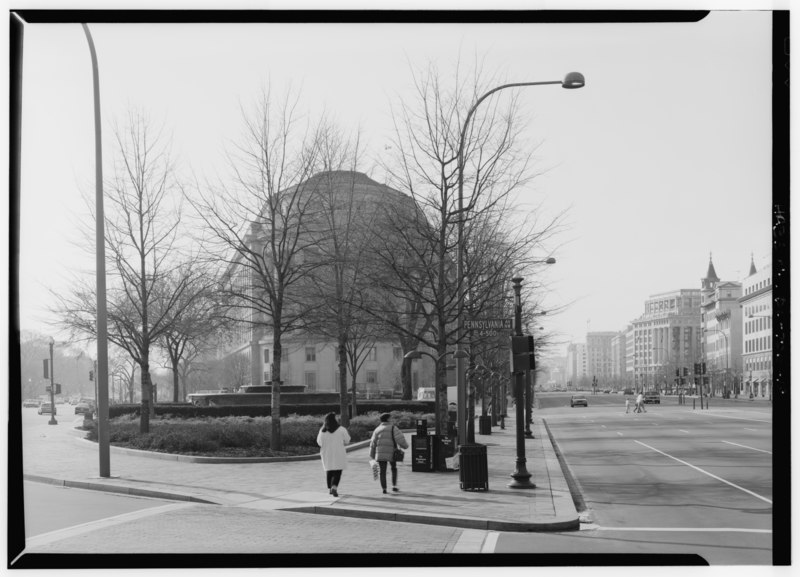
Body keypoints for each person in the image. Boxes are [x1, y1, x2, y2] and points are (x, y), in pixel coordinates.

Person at [369, 412, 409, 494]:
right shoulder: (393, 428)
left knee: (382, 471)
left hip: (380, 453)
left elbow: (373, 443)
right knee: (393, 468)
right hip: (392, 452)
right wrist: (405, 446)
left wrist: (372, 455)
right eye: (390, 418)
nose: (392, 419)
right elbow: (400, 439)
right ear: (387, 419)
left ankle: (384, 489)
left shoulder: (377, 429)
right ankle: (394, 486)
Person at [316, 412, 351, 497]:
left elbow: (319, 442)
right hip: (338, 452)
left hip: (326, 452)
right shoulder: (341, 429)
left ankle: (330, 488)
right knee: (337, 471)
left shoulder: (322, 430)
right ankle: (334, 487)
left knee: (329, 470)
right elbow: (347, 440)